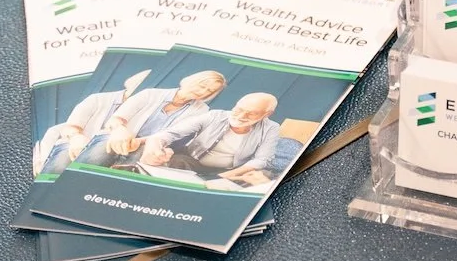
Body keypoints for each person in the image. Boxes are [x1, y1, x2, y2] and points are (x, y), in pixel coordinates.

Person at [74, 71, 228, 169]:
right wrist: (121, 131)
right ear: (190, 80)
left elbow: (175, 135)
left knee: (138, 160)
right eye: (202, 85)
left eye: (209, 91)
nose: (203, 92)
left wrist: (139, 142)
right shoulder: (150, 94)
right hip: (118, 135)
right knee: (102, 149)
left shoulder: (202, 110)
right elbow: (116, 119)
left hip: (149, 144)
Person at [136, 92, 282, 191]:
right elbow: (169, 134)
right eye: (239, 109)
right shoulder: (214, 116)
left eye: (252, 113)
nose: (242, 116)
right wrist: (153, 147)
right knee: (175, 161)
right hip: (194, 163)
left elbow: (262, 160)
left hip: (230, 171)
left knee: (263, 176)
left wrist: (222, 177)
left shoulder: (271, 128)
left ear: (267, 114)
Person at [33, 69, 154, 178]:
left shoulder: (145, 111)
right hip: (74, 148)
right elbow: (66, 127)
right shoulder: (97, 100)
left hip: (113, 157)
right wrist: (76, 137)